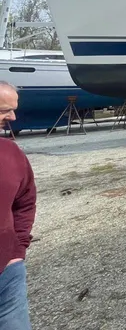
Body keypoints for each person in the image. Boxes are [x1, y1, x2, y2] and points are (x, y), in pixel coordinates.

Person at [0, 82, 36, 330]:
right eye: (4, 109)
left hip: (8, 270)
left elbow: (25, 202)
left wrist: (17, 249)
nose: (13, 117)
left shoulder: (11, 153)